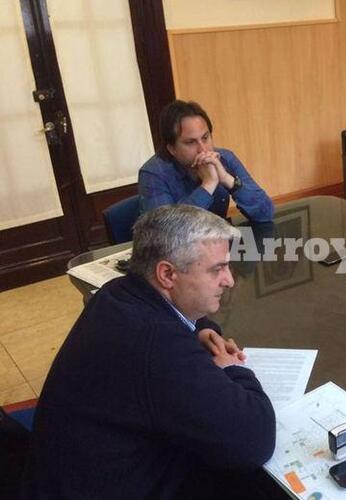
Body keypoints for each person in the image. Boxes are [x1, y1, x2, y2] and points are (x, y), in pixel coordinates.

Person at [23, 205, 277, 499]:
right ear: (167, 274)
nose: (229, 280)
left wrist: (199, 330)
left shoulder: (116, 292)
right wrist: (236, 370)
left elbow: (173, 317)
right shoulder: (157, 346)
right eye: (217, 269)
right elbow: (255, 441)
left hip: (67, 474)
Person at [139, 100, 274, 222]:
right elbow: (165, 236)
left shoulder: (225, 158)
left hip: (218, 243)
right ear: (171, 149)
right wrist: (208, 185)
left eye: (205, 137)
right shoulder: (153, 173)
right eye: (190, 142)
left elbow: (266, 213)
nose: (203, 150)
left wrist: (228, 180)